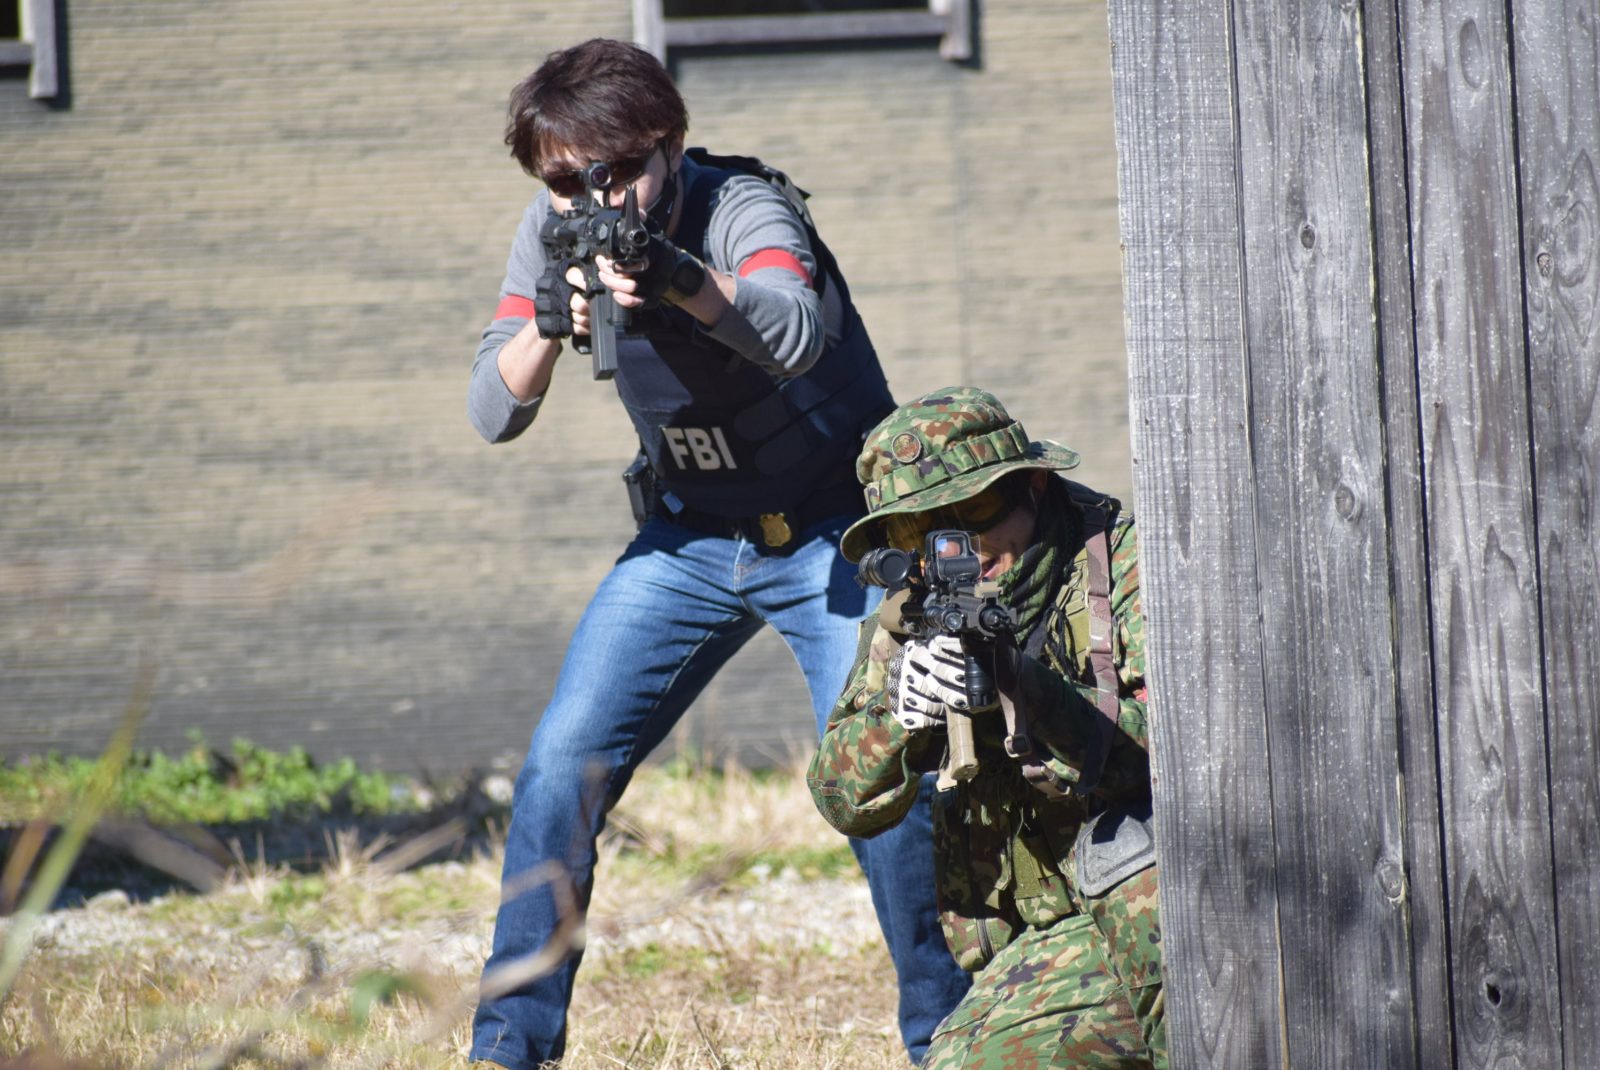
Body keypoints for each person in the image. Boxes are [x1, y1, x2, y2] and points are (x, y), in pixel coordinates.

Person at [466, 38, 968, 1069]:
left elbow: (792, 330)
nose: (592, 196)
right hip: (690, 535)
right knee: (560, 768)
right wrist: (549, 327)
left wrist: (680, 280)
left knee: (877, 774)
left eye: (616, 171)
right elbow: (490, 409)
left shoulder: (743, 206)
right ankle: (507, 1049)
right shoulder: (549, 230)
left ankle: (948, 1038)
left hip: (833, 530)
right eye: (563, 180)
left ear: (671, 144)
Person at [807, 387, 1167, 1069]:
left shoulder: (1131, 566)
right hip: (1050, 937)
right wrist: (900, 715)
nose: (961, 549)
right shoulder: (908, 619)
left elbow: (1184, 762)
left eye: (975, 511)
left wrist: (1025, 689)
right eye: (918, 531)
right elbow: (841, 799)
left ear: (1034, 484)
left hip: (1162, 907)